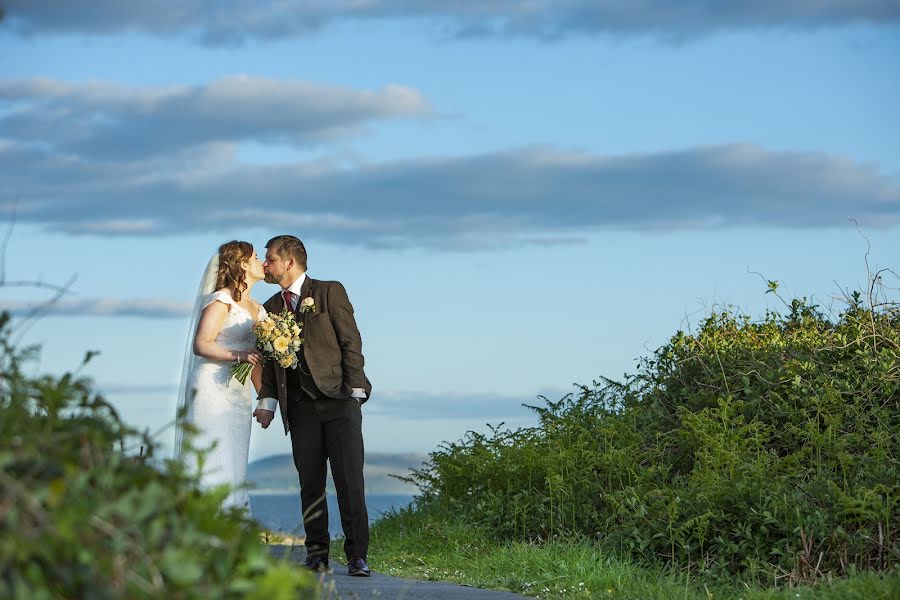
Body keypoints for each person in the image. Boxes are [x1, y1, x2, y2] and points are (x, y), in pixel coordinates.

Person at [252, 235, 373, 577]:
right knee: (310, 483)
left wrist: (356, 387)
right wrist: (267, 403)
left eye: (270, 259)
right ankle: (317, 555)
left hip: (339, 401)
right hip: (300, 407)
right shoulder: (271, 308)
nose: (266, 266)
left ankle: (357, 557)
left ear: (289, 262)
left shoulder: (330, 291)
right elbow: (272, 365)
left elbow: (351, 340)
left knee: (350, 481)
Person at [175, 240, 266, 513]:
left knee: (235, 457)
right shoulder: (221, 300)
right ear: (241, 264)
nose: (262, 261)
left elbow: (258, 358)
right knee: (212, 455)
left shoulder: (258, 309)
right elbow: (202, 344)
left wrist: (265, 401)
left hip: (238, 393)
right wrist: (238, 356)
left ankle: (231, 527)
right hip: (211, 387)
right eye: (256, 257)